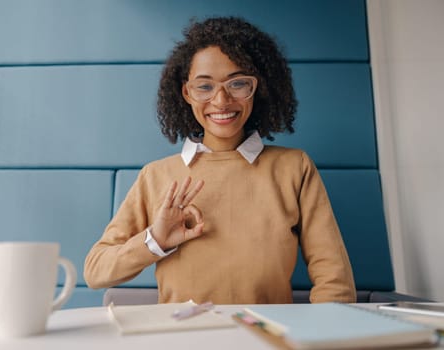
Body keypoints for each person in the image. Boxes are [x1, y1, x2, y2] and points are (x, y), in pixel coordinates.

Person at [84, 16, 356, 304]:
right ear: (187, 93)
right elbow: (96, 271)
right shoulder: (156, 176)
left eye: (238, 84)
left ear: (258, 88)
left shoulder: (294, 168)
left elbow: (334, 279)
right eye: (205, 86)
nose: (221, 100)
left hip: (267, 340)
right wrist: (156, 240)